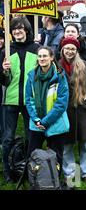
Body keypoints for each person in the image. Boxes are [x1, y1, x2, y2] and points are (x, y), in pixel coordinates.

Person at [0, 17, 40, 183]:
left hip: (30, 101)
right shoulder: (7, 51)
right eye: (14, 29)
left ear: (27, 30)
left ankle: (31, 169)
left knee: (31, 135)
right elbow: (4, 81)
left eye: (20, 28)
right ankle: (7, 170)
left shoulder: (36, 49)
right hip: (10, 101)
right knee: (8, 137)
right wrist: (3, 71)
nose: (17, 31)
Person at [25, 46, 69, 179]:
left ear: (51, 58)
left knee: (56, 156)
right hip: (36, 123)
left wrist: (45, 121)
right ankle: (34, 180)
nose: (42, 59)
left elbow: (61, 104)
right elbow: (28, 99)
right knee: (32, 154)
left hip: (55, 123)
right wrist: (36, 119)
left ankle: (54, 182)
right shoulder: (32, 76)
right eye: (40, 56)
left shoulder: (60, 76)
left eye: (45, 56)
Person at [59, 37, 86, 184]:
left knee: (85, 144)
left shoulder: (84, 65)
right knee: (67, 145)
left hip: (82, 109)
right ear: (62, 49)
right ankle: (70, 174)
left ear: (76, 50)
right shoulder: (56, 65)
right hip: (64, 110)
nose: (69, 51)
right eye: (67, 48)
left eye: (72, 49)